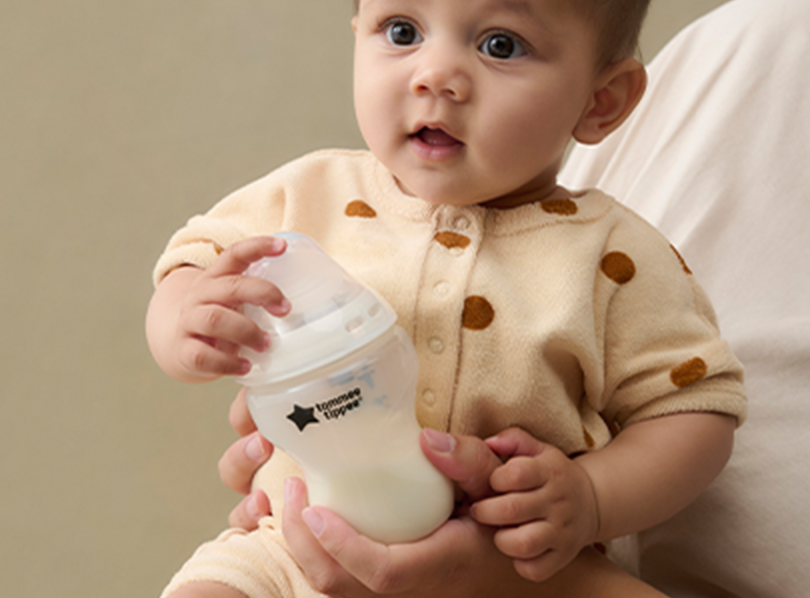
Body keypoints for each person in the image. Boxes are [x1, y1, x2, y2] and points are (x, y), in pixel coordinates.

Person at [146, 0, 747, 597]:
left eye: (500, 45)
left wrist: (591, 496)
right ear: (357, 36)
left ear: (601, 100)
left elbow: (695, 409)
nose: (434, 75)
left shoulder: (613, 255)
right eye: (402, 31)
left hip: (525, 569)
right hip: (302, 547)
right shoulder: (309, 196)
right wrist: (186, 320)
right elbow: (195, 263)